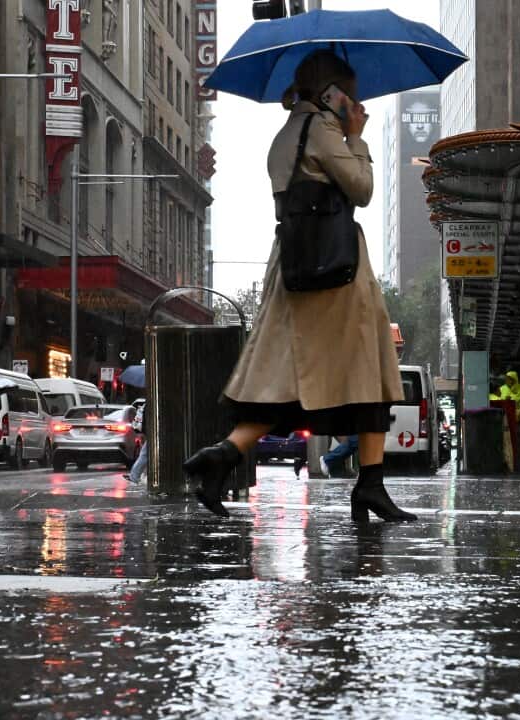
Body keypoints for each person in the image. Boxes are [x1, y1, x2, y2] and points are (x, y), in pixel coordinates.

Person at [182, 50, 414, 522]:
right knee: (367, 371)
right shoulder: (326, 132)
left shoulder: (285, 134)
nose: (356, 101)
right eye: (349, 92)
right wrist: (357, 139)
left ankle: (222, 456)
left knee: (287, 383)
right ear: (330, 92)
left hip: (294, 267)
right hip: (338, 273)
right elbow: (363, 190)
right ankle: (370, 484)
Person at [125, 403, 147, 484]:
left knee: (144, 454)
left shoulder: (145, 405)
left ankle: (135, 476)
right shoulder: (149, 405)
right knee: (144, 455)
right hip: (150, 433)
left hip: (147, 432)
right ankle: (134, 476)